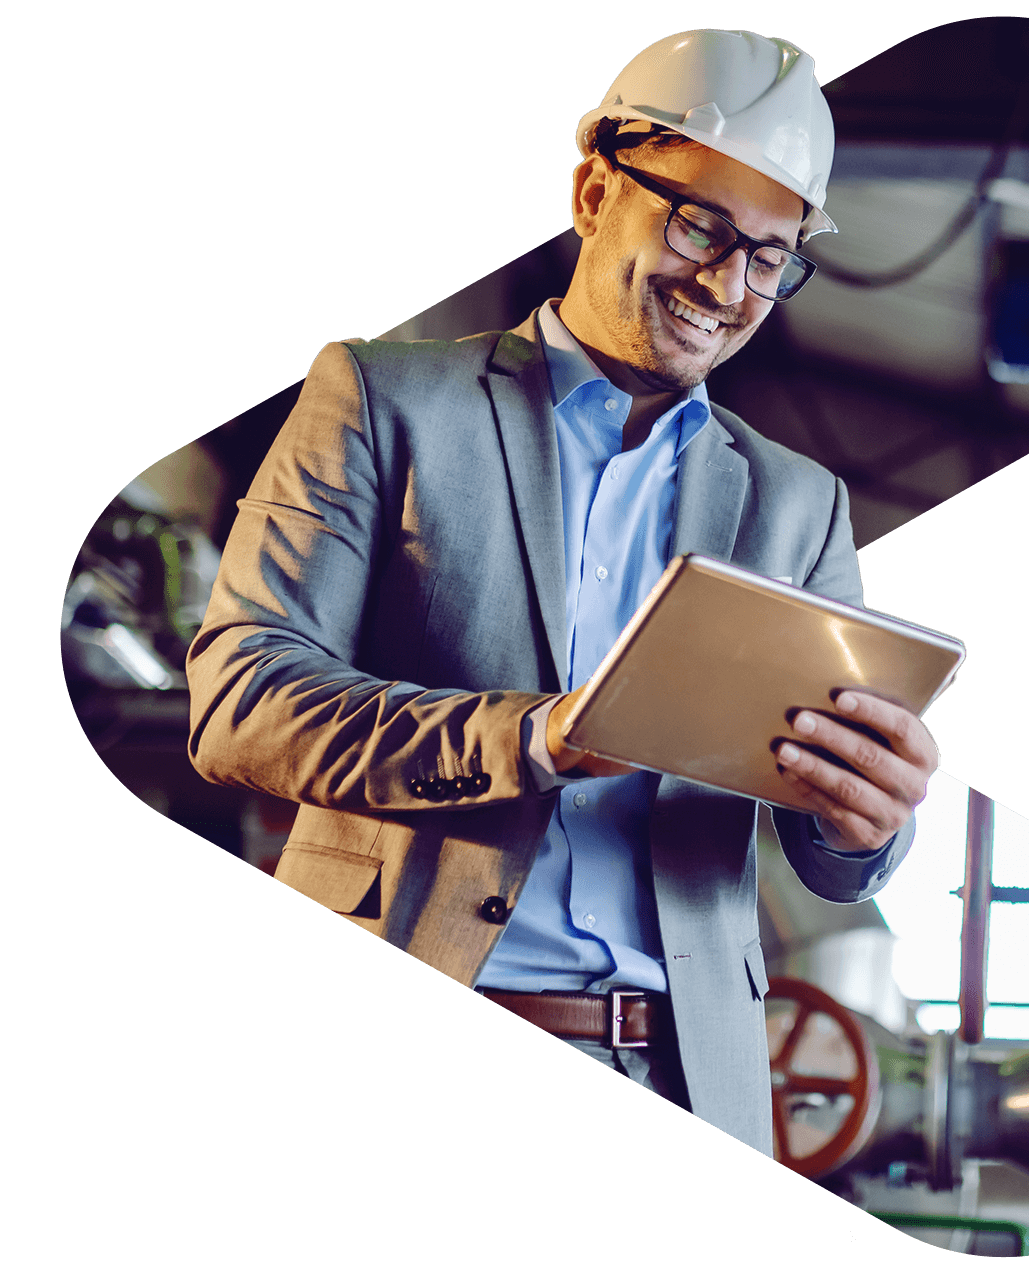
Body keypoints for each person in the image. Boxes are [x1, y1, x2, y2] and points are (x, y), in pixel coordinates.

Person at [186, 29, 941, 1157]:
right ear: (594, 190)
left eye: (770, 257)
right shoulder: (383, 399)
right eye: (697, 223)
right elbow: (236, 705)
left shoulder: (800, 505)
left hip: (691, 1074)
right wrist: (533, 737)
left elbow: (824, 855)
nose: (725, 285)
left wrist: (866, 822)